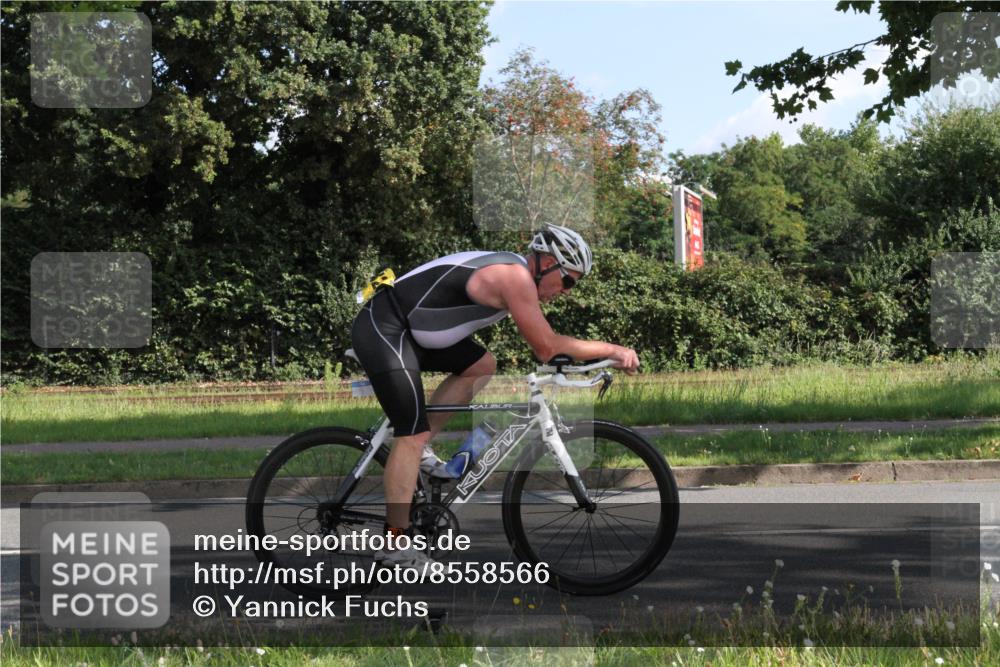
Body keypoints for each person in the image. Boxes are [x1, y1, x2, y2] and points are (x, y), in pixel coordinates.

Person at [349, 224, 640, 568]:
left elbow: (547, 345)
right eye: (568, 281)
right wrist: (612, 350)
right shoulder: (513, 276)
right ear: (547, 262)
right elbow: (545, 346)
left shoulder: (515, 274)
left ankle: (423, 445)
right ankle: (394, 545)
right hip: (386, 328)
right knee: (408, 435)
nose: (566, 292)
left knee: (482, 365)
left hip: (412, 333)